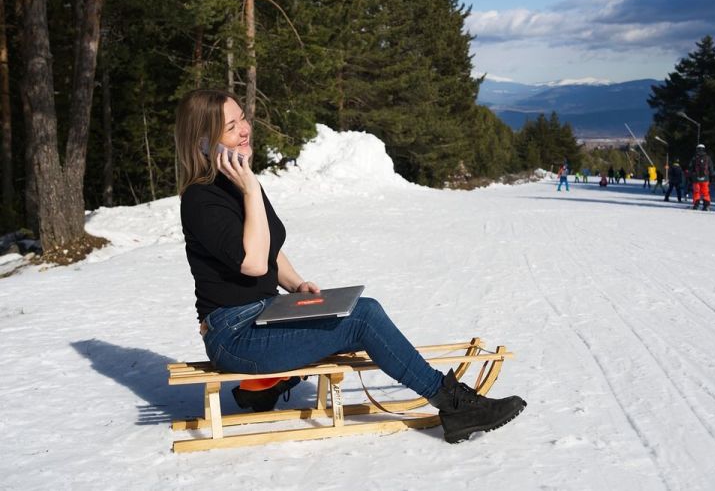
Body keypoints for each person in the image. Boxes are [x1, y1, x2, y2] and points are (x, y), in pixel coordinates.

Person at [175, 89, 526, 443]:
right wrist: (251, 189)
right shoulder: (200, 198)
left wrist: (296, 285)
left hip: (265, 314)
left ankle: (262, 388)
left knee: (351, 308)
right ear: (204, 143)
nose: (244, 129)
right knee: (363, 318)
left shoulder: (239, 183)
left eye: (242, 118)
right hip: (234, 336)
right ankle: (454, 405)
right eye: (230, 126)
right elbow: (252, 263)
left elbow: (270, 250)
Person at [689, 143, 713, 210]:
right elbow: (711, 168)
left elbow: (690, 168)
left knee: (696, 192)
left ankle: (696, 205)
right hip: (705, 179)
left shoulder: (694, 158)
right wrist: (711, 177)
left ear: (697, 149)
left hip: (696, 179)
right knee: (706, 192)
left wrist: (690, 177)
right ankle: (706, 206)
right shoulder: (708, 158)